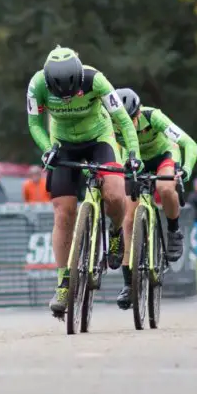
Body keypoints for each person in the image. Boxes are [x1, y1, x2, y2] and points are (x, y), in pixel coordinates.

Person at [26, 45, 141, 315]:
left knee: (114, 194)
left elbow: (123, 120)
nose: (66, 99)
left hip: (99, 139)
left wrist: (133, 153)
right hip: (63, 143)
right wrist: (47, 148)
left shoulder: (95, 80)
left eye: (72, 93)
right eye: (60, 94)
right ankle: (64, 283)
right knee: (63, 213)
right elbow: (34, 124)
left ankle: (114, 233)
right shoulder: (37, 85)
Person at [112, 87, 197, 309]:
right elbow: (117, 152)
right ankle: (128, 284)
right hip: (135, 163)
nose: (126, 124)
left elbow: (189, 143)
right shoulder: (114, 123)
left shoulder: (154, 117)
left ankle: (173, 230)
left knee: (165, 187)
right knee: (128, 220)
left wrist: (186, 169)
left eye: (130, 119)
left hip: (163, 157)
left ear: (138, 114)